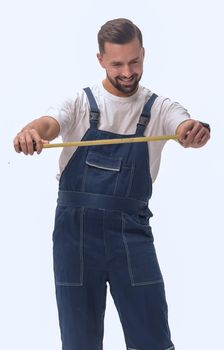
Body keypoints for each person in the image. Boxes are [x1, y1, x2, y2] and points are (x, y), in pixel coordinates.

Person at [13, 18, 210, 350]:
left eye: (135, 61)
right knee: (79, 342)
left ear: (144, 54)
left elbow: (185, 124)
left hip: (131, 237)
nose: (128, 71)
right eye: (117, 63)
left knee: (152, 340)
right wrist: (31, 132)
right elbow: (48, 123)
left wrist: (193, 131)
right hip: (74, 238)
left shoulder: (160, 108)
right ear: (101, 59)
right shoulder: (79, 102)